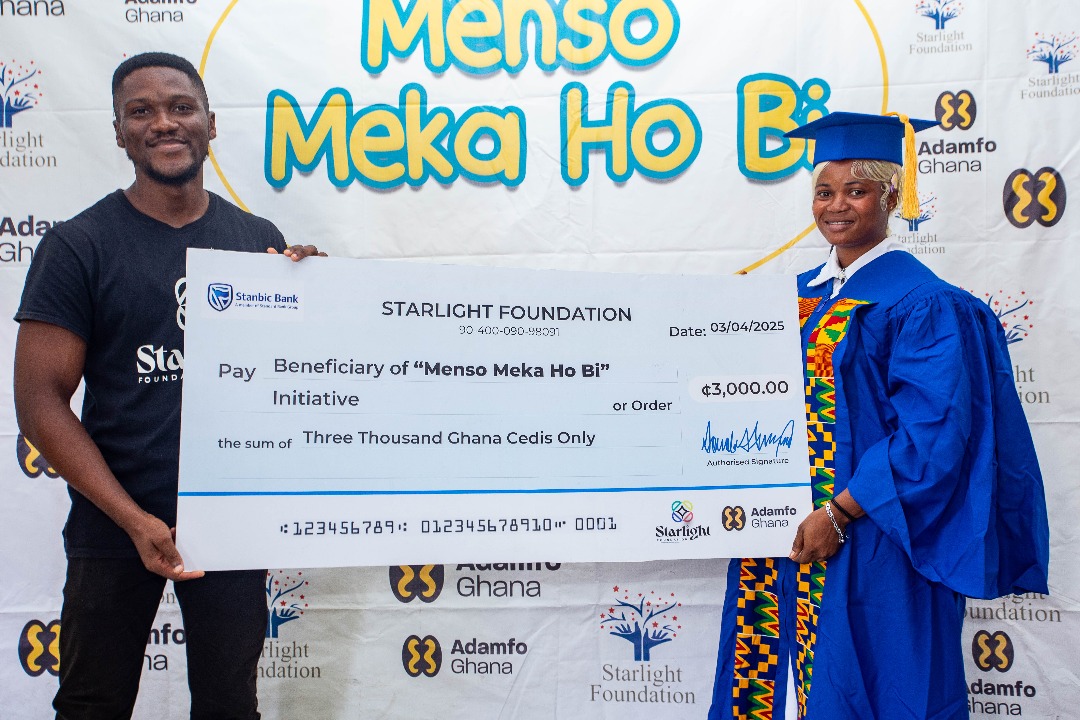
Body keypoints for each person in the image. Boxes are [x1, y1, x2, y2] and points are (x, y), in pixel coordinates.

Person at [13, 52, 325, 719]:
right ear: (119, 133)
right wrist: (133, 519)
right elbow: (39, 402)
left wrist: (319, 296)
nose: (163, 123)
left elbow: (296, 382)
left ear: (211, 123)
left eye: (181, 107)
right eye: (141, 111)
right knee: (92, 704)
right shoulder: (78, 245)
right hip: (112, 519)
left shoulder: (257, 241)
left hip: (230, 521)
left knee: (228, 705)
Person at [708, 112, 1049, 719]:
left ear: (892, 197)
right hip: (780, 534)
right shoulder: (791, 297)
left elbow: (932, 439)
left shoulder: (925, 304)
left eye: (856, 190)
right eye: (824, 191)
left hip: (879, 535)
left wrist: (839, 513)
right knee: (770, 682)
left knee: (886, 683)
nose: (836, 205)